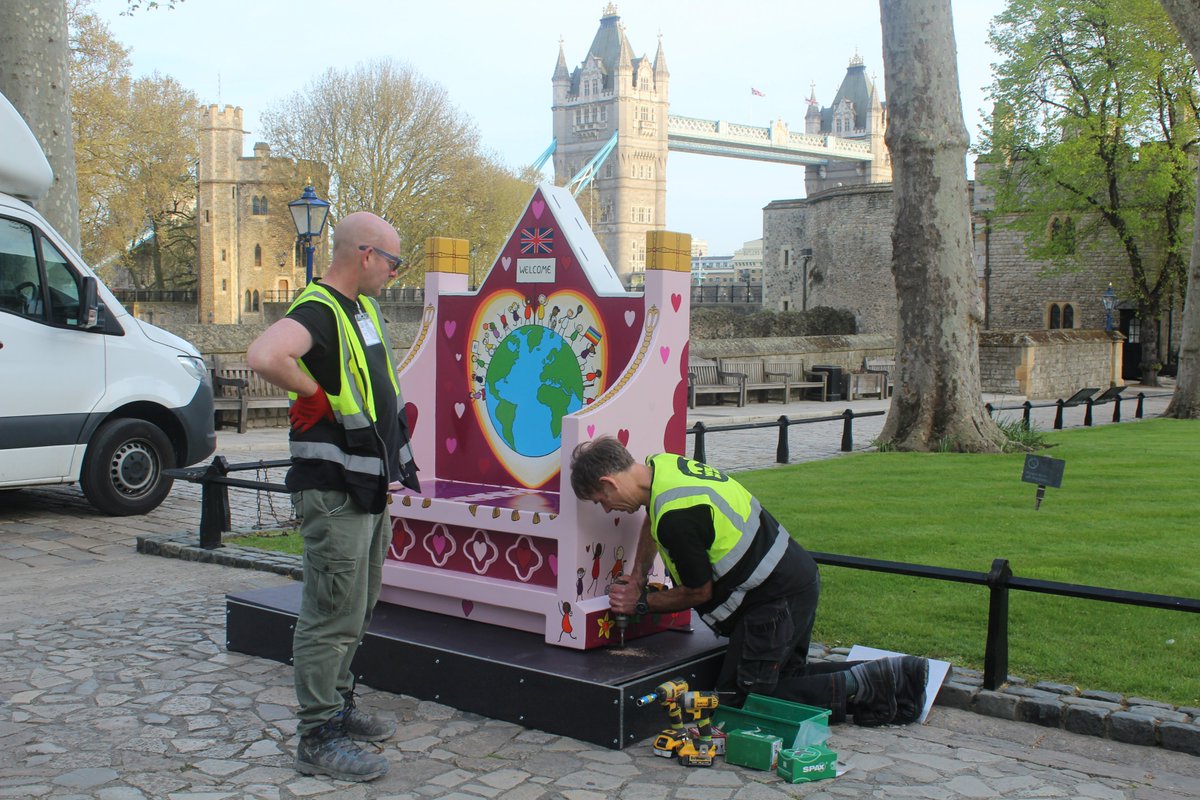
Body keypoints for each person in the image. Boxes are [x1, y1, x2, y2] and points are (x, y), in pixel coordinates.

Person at [570, 436, 928, 727]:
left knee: (743, 701)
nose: (607, 509)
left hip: (772, 601)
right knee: (787, 675)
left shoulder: (677, 516)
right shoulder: (663, 468)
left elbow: (698, 592)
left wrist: (641, 603)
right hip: (793, 578)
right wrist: (637, 576)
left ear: (608, 482)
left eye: (602, 500)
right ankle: (896, 674)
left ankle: (871, 685)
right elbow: (652, 514)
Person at [247, 212, 419, 782]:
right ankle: (317, 734)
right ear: (366, 254)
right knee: (330, 611)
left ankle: (338, 706)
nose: (395, 272)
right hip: (335, 488)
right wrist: (311, 394)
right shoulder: (319, 309)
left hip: (365, 484)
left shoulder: (359, 310)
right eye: (393, 261)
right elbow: (265, 355)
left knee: (356, 605)